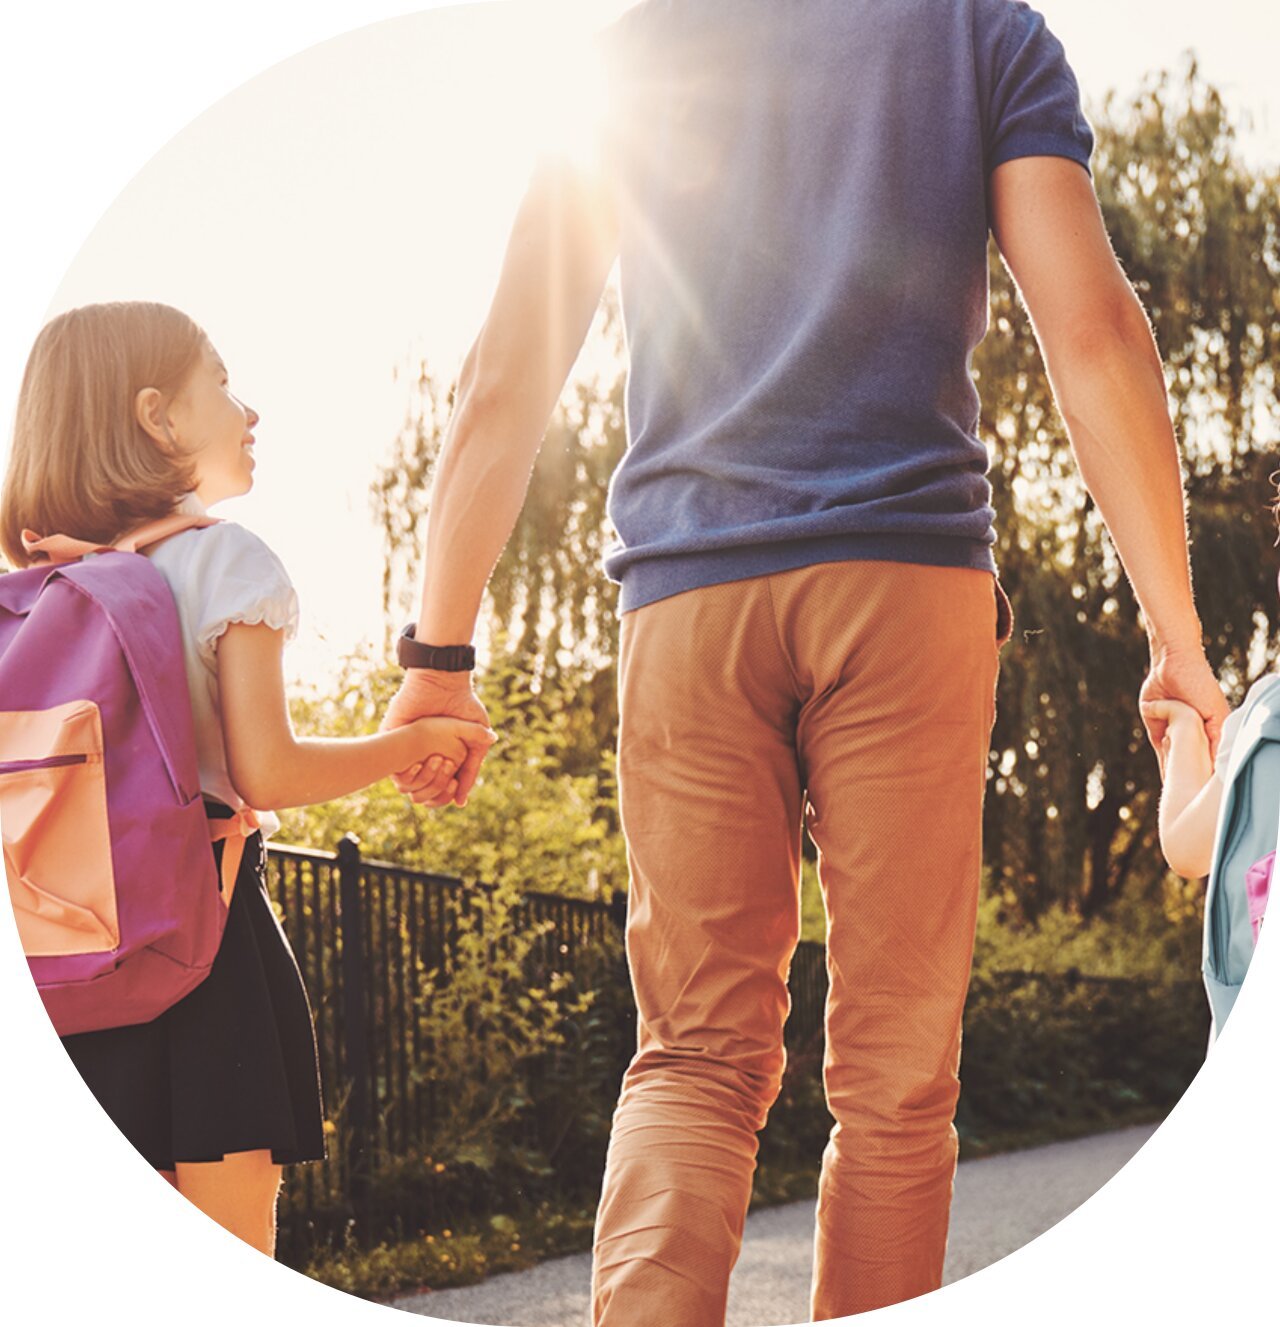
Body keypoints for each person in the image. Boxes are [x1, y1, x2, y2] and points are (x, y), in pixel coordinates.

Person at [380, 1, 1228, 1320]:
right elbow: (1094, 331)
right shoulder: (976, 33)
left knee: (694, 1056)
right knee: (897, 1079)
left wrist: (437, 655)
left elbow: (509, 368)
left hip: (688, 595)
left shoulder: (642, 43)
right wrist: (1182, 647)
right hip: (907, 585)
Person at [0, 301, 495, 1257]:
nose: (249, 410)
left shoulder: (38, 594)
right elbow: (270, 767)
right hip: (204, 947)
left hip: (61, 964)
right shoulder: (225, 560)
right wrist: (419, 735)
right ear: (158, 417)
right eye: (221, 383)